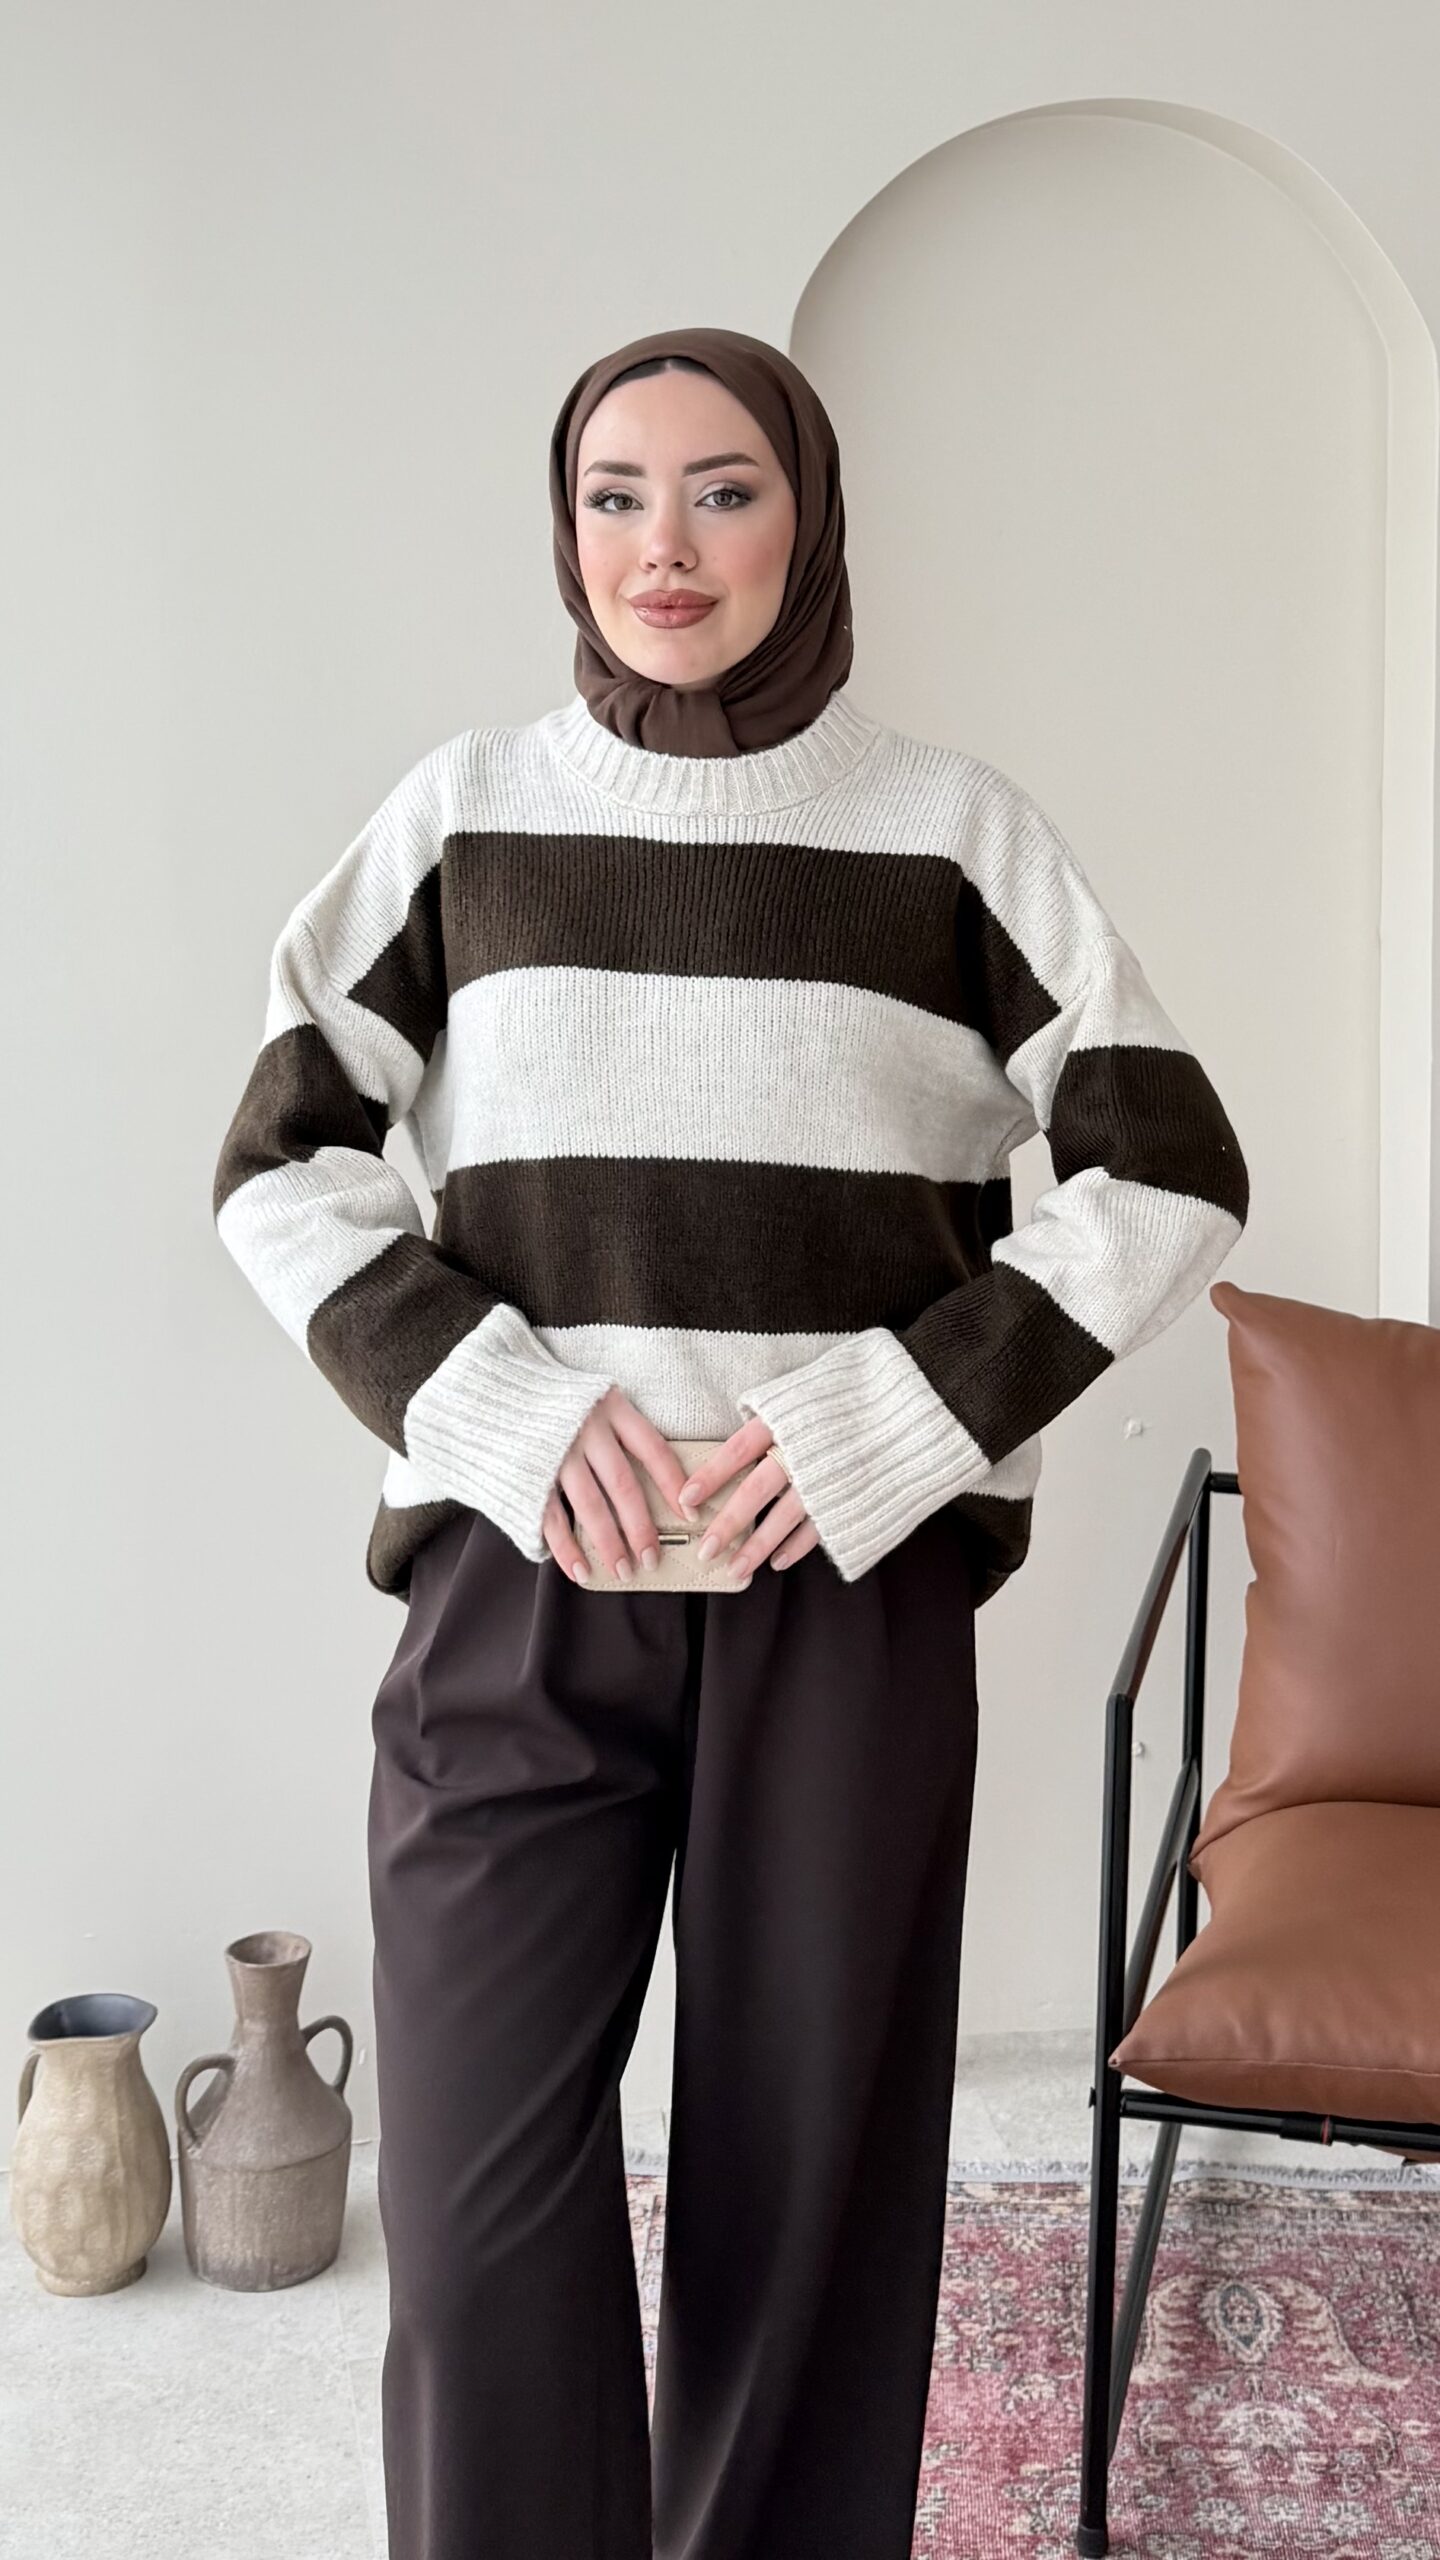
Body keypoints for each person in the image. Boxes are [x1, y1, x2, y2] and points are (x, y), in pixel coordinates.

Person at [212, 325, 1249, 2558]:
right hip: (517, 1594)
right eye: (615, 495)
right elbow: (282, 1156)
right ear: (563, 529)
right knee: (478, 2209)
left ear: (811, 519)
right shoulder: (467, 816)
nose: (661, 546)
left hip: (841, 1603)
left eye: (722, 491)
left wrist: (899, 1418)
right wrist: (497, 1407)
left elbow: (1167, 1167)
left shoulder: (952, 834)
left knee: (806, 2209)